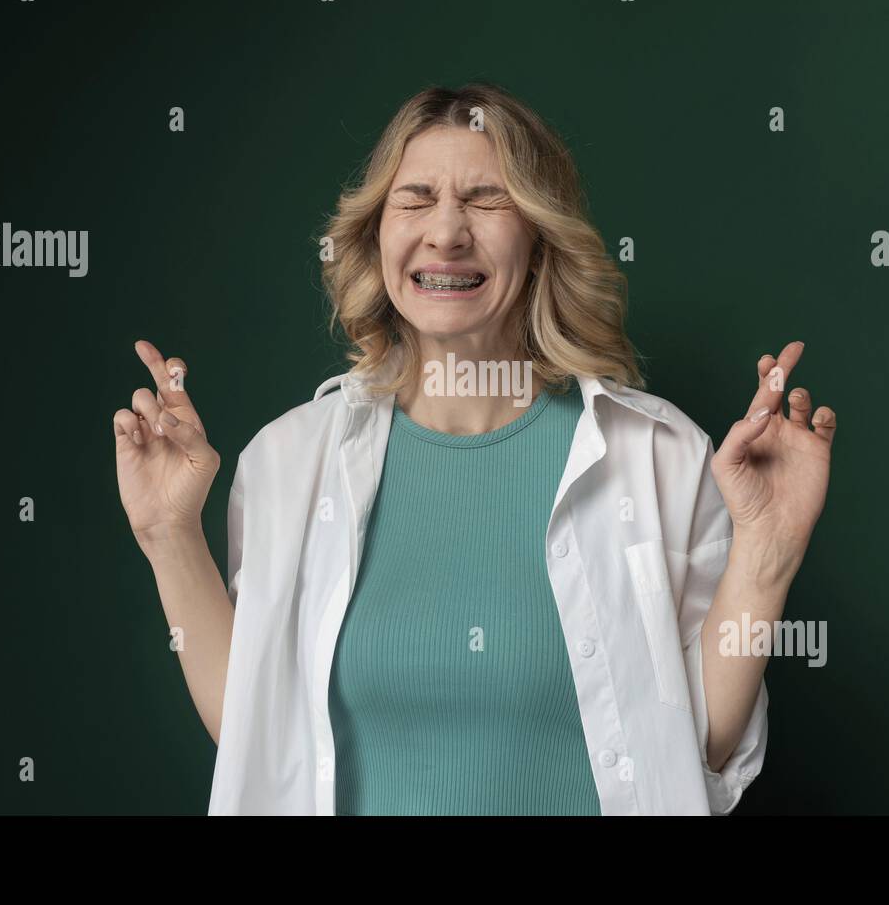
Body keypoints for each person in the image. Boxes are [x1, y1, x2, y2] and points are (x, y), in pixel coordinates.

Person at [113, 82, 837, 815]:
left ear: (539, 236)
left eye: (486, 200)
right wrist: (168, 534)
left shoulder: (659, 454)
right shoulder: (289, 462)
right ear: (376, 235)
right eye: (416, 199)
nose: (447, 233)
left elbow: (700, 750)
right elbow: (256, 739)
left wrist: (767, 553)